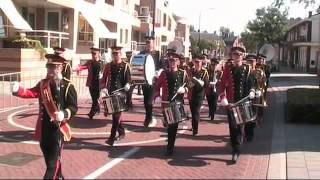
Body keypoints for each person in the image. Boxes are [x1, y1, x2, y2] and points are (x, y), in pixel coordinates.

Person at [10, 54, 78, 179]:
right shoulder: (43, 84)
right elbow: (31, 92)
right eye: (49, 67)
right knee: (51, 163)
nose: (50, 71)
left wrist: (63, 114)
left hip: (58, 130)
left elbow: (73, 107)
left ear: (60, 68)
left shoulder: (68, 86)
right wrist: (18, 90)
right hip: (44, 130)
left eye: (53, 68)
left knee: (52, 166)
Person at [218, 46, 256, 163]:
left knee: (239, 127)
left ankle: (236, 150)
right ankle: (235, 147)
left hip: (243, 103)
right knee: (233, 127)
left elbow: (252, 84)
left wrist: (252, 91)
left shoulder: (248, 69)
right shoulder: (227, 69)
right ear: (232, 56)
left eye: (239, 54)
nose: (237, 57)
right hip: (231, 103)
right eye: (234, 54)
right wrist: (222, 97)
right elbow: (222, 85)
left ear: (243, 56)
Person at [153, 52, 188, 156]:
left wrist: (184, 89)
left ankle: (170, 146)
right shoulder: (164, 73)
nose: (171, 63)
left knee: (174, 126)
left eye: (173, 61)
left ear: (178, 62)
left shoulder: (183, 73)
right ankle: (170, 145)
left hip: (177, 104)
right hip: (166, 103)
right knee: (170, 126)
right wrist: (157, 96)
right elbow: (157, 87)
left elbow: (190, 84)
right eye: (170, 61)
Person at [100, 46, 131, 146]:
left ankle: (111, 138)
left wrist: (128, 85)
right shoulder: (108, 66)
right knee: (115, 116)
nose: (115, 55)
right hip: (110, 93)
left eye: (117, 53)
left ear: (120, 54)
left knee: (115, 117)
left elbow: (129, 80)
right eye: (114, 54)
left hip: (120, 94)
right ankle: (121, 132)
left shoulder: (125, 66)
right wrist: (104, 88)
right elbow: (103, 79)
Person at [139, 36, 161, 127]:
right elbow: (139, 65)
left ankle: (149, 118)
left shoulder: (157, 54)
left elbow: (162, 66)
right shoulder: (142, 53)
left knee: (149, 101)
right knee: (145, 101)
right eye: (147, 42)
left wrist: (158, 72)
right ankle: (149, 115)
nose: (148, 44)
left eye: (150, 42)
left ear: (153, 43)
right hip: (144, 81)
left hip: (153, 81)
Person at [77, 47, 103, 119]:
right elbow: (83, 66)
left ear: (98, 54)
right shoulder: (90, 62)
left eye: (94, 53)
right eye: (92, 53)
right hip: (91, 83)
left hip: (98, 84)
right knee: (94, 98)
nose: (93, 55)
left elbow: (107, 72)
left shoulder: (102, 63)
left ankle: (92, 113)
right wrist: (79, 69)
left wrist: (103, 76)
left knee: (95, 99)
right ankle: (97, 109)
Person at [187, 55, 209, 136]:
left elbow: (207, 83)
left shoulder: (204, 72)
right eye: (196, 62)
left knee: (196, 112)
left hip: (199, 94)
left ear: (201, 63)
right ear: (193, 62)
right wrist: (194, 82)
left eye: (199, 62)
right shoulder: (190, 71)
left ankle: (195, 129)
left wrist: (201, 83)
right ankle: (194, 125)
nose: (197, 64)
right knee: (193, 112)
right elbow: (188, 84)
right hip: (191, 94)